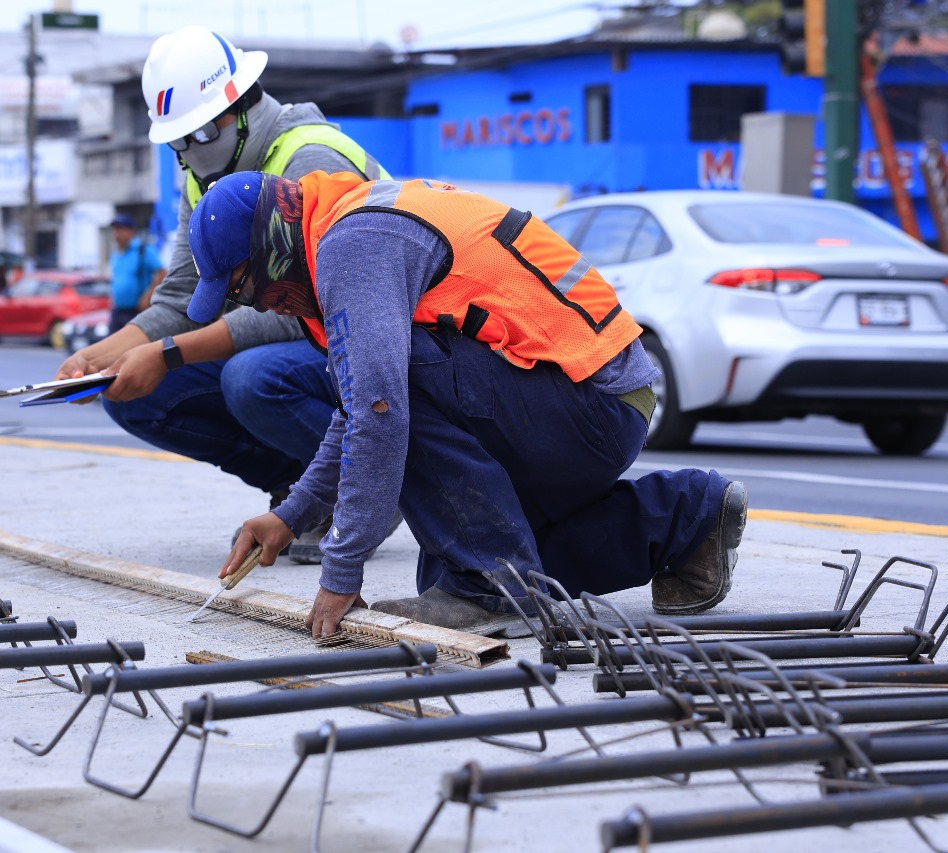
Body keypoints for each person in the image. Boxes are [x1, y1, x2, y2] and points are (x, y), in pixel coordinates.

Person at [187, 171, 749, 639]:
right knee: (458, 559)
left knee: (477, 565)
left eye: (243, 286)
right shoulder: (338, 231)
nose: (254, 302)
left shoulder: (353, 244)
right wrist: (291, 516)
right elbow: (359, 404)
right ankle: (686, 515)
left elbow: (380, 411)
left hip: (591, 404)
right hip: (580, 401)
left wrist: (341, 571)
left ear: (272, 249)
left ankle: (493, 588)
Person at [56, 25, 394, 563]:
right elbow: (184, 294)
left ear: (242, 107)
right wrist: (106, 354)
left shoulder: (309, 161)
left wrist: (167, 352)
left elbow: (308, 311)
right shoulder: (205, 178)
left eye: (200, 135)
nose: (190, 154)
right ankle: (300, 486)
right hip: (318, 347)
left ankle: (364, 487)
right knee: (133, 391)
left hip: (369, 350)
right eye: (178, 142)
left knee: (253, 377)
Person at [106, 214, 166, 334]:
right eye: (115, 230)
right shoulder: (116, 255)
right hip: (118, 311)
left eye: (120, 229)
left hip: (137, 311)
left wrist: (148, 296)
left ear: (131, 231)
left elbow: (162, 273)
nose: (116, 234)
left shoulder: (142, 250)